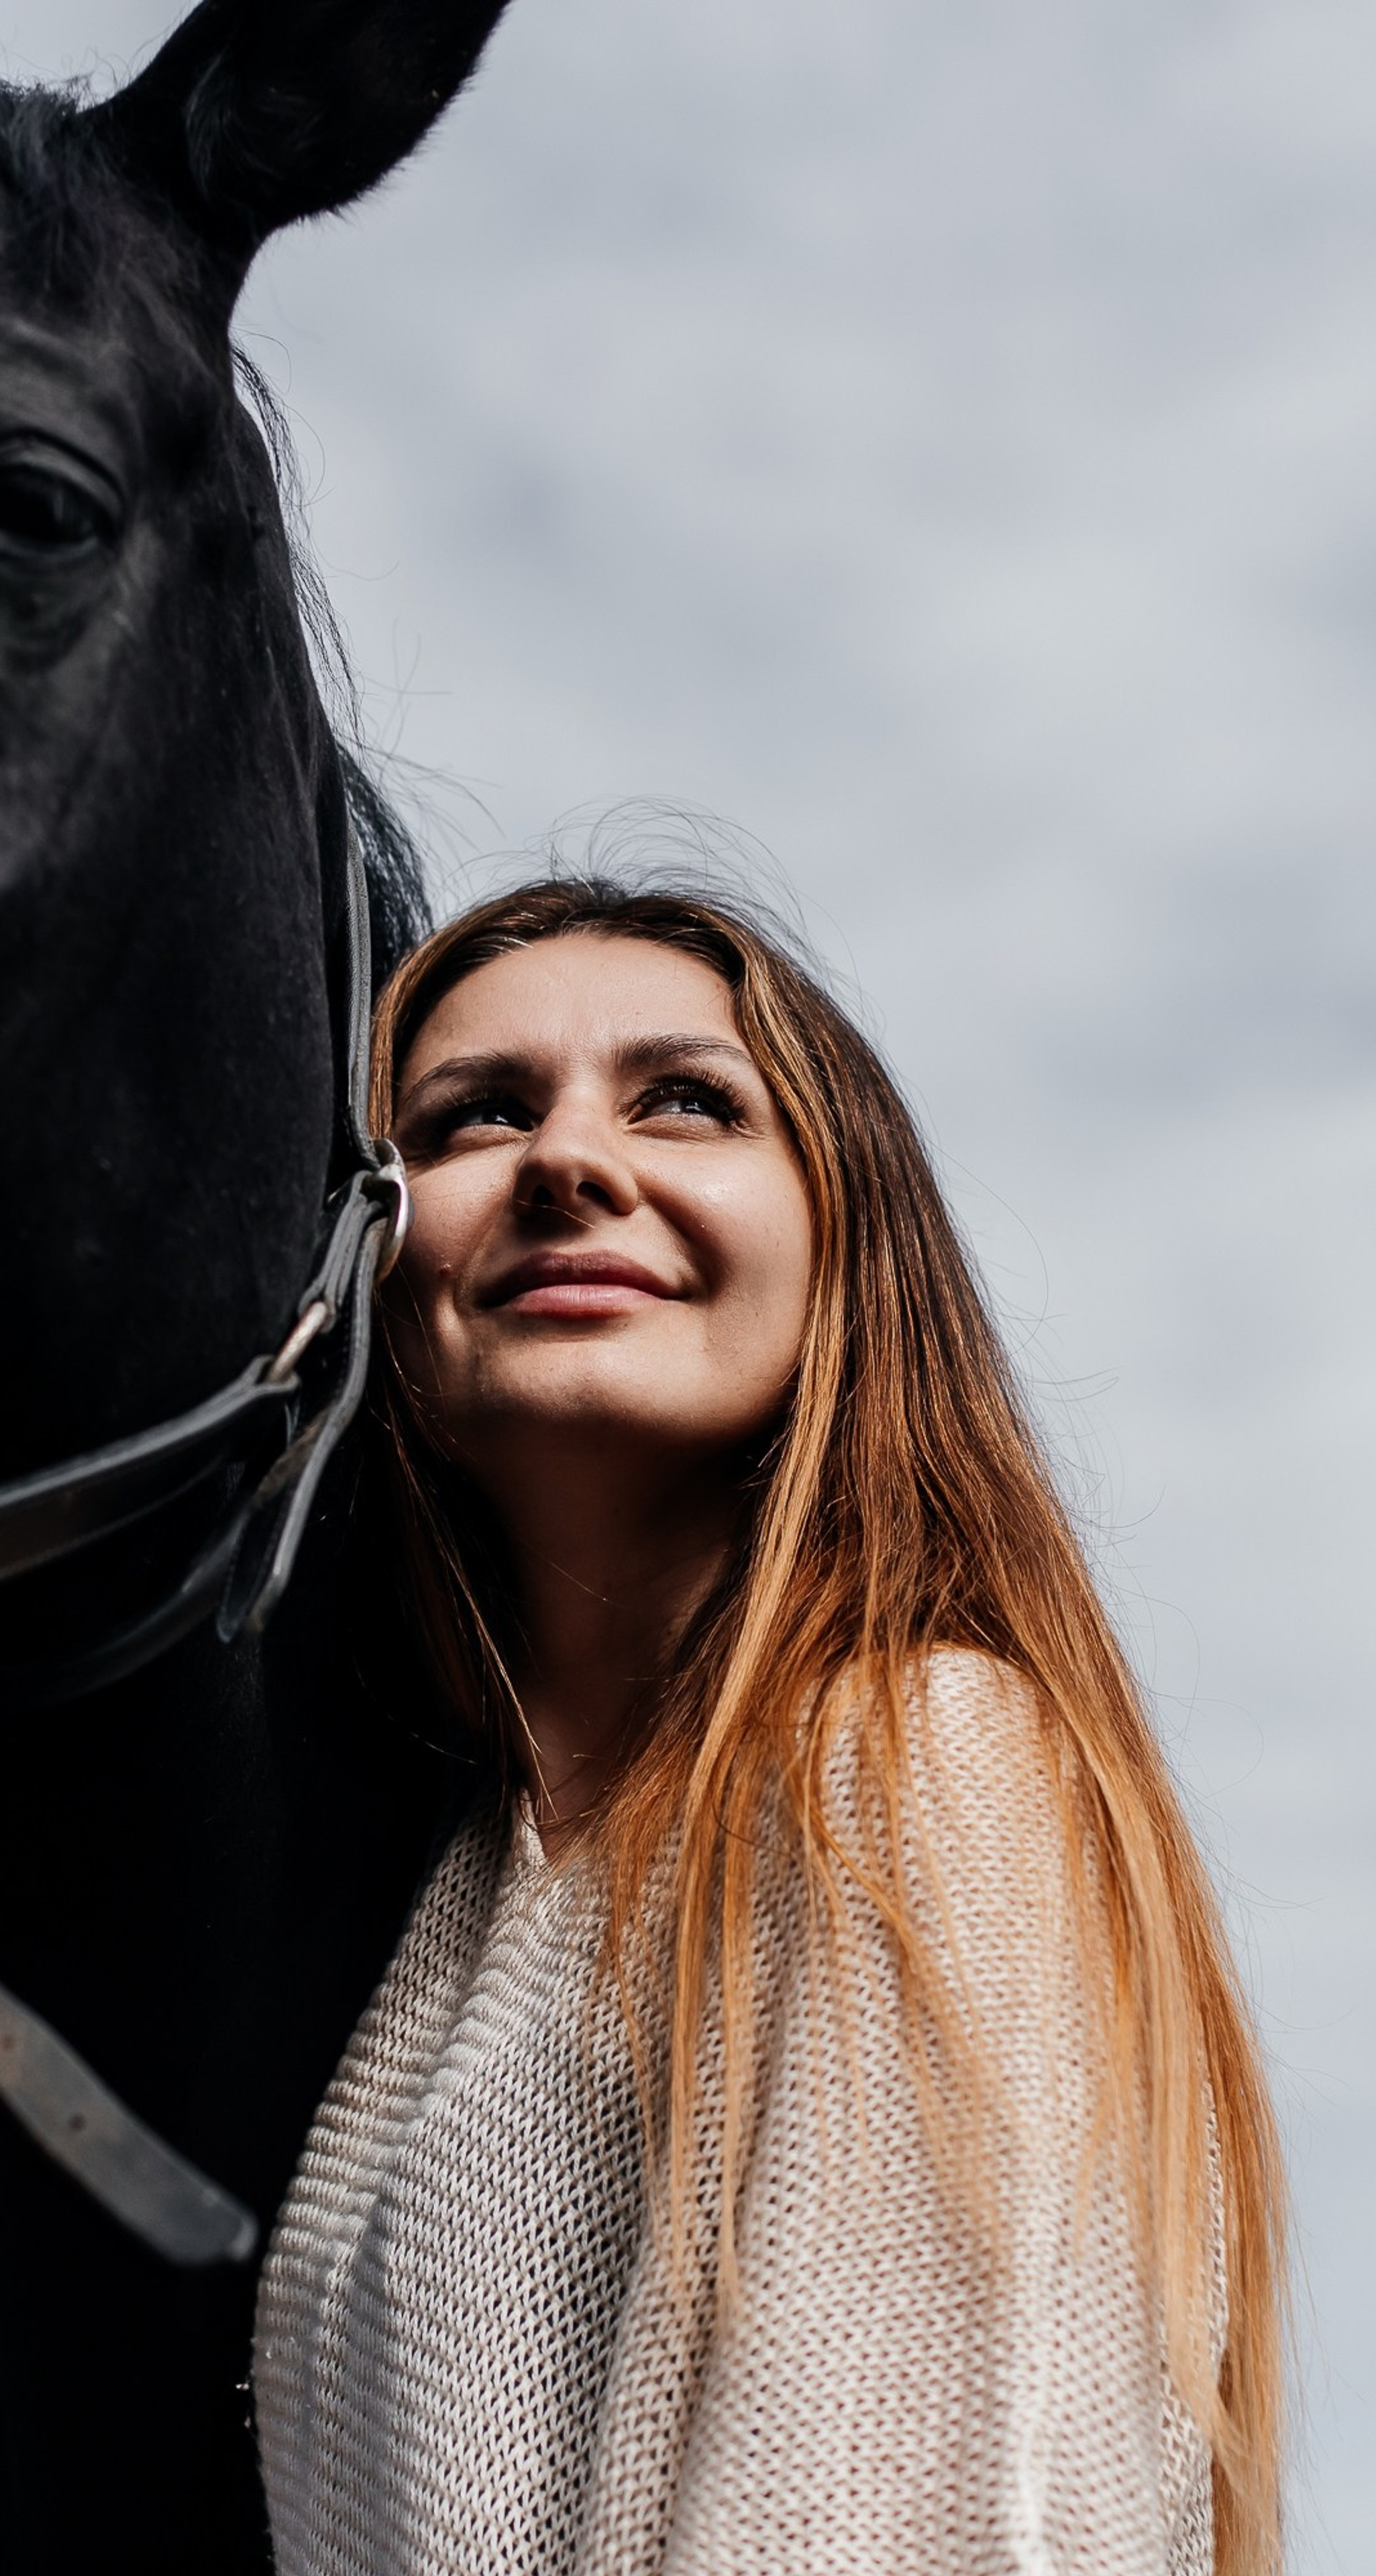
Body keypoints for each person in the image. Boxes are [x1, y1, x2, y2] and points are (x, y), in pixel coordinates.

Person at [254, 878, 1285, 2576]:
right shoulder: (443, 1908)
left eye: (684, 1100)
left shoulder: (906, 1761)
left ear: (844, 1242)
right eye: (472, 1118)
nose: (569, 1161)